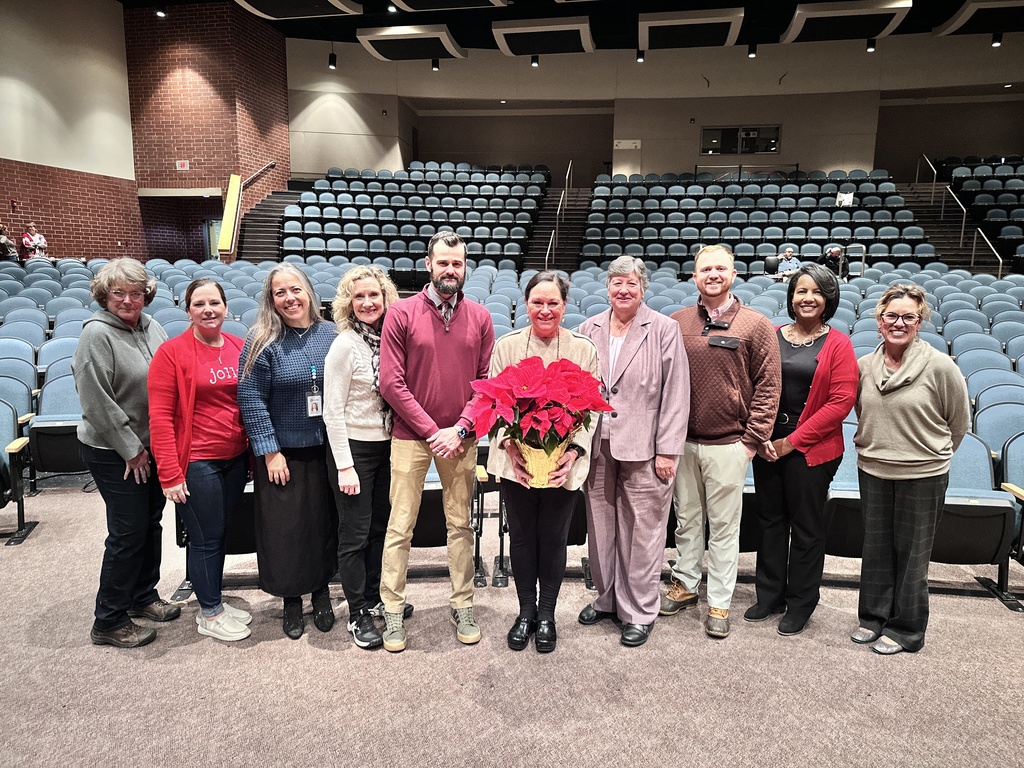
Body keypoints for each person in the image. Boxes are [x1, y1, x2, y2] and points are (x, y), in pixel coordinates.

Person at [378, 230, 494, 653]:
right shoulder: (402, 313)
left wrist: (460, 429)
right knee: (400, 525)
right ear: (428, 264)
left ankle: (462, 604)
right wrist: (432, 431)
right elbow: (391, 383)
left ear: (466, 268)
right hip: (412, 436)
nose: (450, 269)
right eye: (443, 262)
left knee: (460, 524)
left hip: (462, 438)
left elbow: (487, 385)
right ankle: (391, 607)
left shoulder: (481, 317)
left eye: (457, 263)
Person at [664, 244, 781, 639]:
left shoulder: (755, 324)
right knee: (687, 522)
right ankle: (685, 585)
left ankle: (719, 600)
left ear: (733, 275)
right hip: (683, 444)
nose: (712, 275)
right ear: (694, 276)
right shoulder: (676, 322)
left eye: (720, 269)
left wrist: (751, 443)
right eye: (704, 269)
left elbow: (769, 386)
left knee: (725, 528)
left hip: (730, 444)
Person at [577, 256, 689, 648]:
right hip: (597, 445)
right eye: (616, 283)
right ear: (607, 288)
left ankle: (640, 609)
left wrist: (668, 450)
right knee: (601, 526)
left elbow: (676, 394)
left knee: (643, 531)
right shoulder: (587, 328)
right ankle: (607, 598)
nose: (623, 290)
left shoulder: (663, 329)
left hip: (646, 447)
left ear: (643, 288)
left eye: (630, 283)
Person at [851, 283, 969, 655]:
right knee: (876, 549)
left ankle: (907, 629)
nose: (898, 323)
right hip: (873, 469)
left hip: (923, 474)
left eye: (908, 317)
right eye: (891, 315)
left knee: (913, 555)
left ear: (920, 322)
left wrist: (930, 455)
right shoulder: (865, 365)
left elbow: (958, 423)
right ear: (879, 319)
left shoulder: (940, 365)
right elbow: (863, 413)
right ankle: (872, 617)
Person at [486, 271, 601, 653]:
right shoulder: (507, 346)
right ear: (526, 304)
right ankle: (525, 614)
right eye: (538, 302)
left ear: (565, 306)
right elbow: (493, 404)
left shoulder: (583, 347)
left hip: (561, 466)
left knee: (553, 540)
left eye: (553, 303)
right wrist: (509, 446)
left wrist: (573, 451)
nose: (545, 310)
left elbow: (592, 410)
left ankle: (547, 615)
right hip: (515, 464)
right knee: (520, 538)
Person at [73, 258, 178, 648]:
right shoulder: (95, 335)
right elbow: (96, 402)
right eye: (119, 293)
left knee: (150, 523)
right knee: (128, 531)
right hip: (112, 450)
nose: (128, 300)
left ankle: (143, 596)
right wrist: (132, 450)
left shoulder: (154, 328)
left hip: (150, 445)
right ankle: (109, 618)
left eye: (136, 292)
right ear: (105, 295)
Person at [748, 264, 858, 635]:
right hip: (767, 445)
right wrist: (761, 436)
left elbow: (840, 404)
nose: (807, 298)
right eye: (801, 291)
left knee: (807, 527)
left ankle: (801, 602)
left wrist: (790, 442)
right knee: (770, 521)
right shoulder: (773, 334)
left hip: (811, 450)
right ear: (791, 297)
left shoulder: (839, 344)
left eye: (816, 292)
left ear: (827, 299)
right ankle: (769, 595)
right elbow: (754, 385)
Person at [237, 263, 338, 640]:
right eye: (280, 293)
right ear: (271, 300)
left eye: (294, 289)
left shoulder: (332, 333)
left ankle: (322, 592)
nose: (289, 298)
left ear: (308, 291)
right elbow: (250, 397)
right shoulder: (261, 339)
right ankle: (292, 599)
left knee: (325, 524)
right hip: (283, 453)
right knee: (286, 531)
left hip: (328, 447)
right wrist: (269, 450)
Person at [148, 278, 252, 643]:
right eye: (199, 304)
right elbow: (160, 418)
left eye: (214, 303)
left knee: (219, 532)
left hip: (235, 457)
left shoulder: (240, 346)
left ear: (226, 307)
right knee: (206, 537)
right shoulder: (172, 353)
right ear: (188, 310)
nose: (208, 310)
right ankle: (209, 612)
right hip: (197, 460)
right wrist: (170, 474)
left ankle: (215, 600)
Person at [323, 265, 402, 650]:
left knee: (379, 529)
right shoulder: (344, 345)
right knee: (354, 533)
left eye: (374, 295)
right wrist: (345, 465)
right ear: (349, 304)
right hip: (354, 449)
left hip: (388, 446)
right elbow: (331, 411)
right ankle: (357, 612)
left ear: (386, 298)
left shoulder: (391, 339)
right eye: (359, 297)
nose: (368, 302)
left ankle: (373, 597)